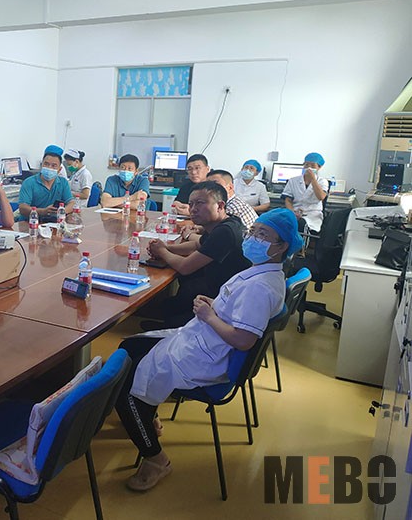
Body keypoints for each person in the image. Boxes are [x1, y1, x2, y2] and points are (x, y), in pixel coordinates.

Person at [116, 208, 302, 492]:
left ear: (282, 245)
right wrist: (215, 305)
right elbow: (238, 312)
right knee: (130, 346)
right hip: (203, 340)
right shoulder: (261, 272)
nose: (253, 238)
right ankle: (148, 414)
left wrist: (209, 316)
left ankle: (156, 459)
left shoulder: (261, 288)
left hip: (207, 356)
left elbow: (243, 340)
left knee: (124, 392)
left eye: (263, 235)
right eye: (253, 231)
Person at [141, 181, 251, 329]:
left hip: (223, 298)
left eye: (200, 203)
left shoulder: (225, 232)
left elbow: (185, 267)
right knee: (167, 305)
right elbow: (197, 245)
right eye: (191, 204)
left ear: (220, 206)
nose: (193, 209)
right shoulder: (225, 222)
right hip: (220, 286)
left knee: (172, 304)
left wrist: (162, 251)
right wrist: (167, 247)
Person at [18, 149, 75, 220]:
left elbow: (71, 203)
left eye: (54, 165)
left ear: (59, 170)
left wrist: (61, 211)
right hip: (30, 222)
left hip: (53, 222)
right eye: (46, 164)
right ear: (41, 165)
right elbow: (23, 208)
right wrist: (43, 211)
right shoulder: (29, 182)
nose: (49, 167)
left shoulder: (63, 182)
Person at [283, 152, 329, 232]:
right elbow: (288, 199)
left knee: (300, 224)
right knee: (280, 222)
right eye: (306, 165)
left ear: (319, 167)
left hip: (312, 215)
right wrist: (292, 212)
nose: (309, 168)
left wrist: (313, 179)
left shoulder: (322, 181)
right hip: (295, 211)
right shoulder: (293, 180)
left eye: (312, 166)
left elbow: (321, 197)